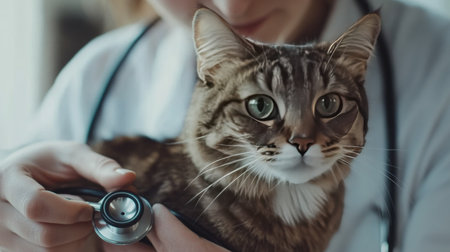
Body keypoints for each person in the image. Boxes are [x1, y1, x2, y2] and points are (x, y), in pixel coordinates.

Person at [1, 0, 450, 251]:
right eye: (259, 106)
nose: (234, 5)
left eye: (329, 104)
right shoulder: (96, 74)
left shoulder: (435, 61)